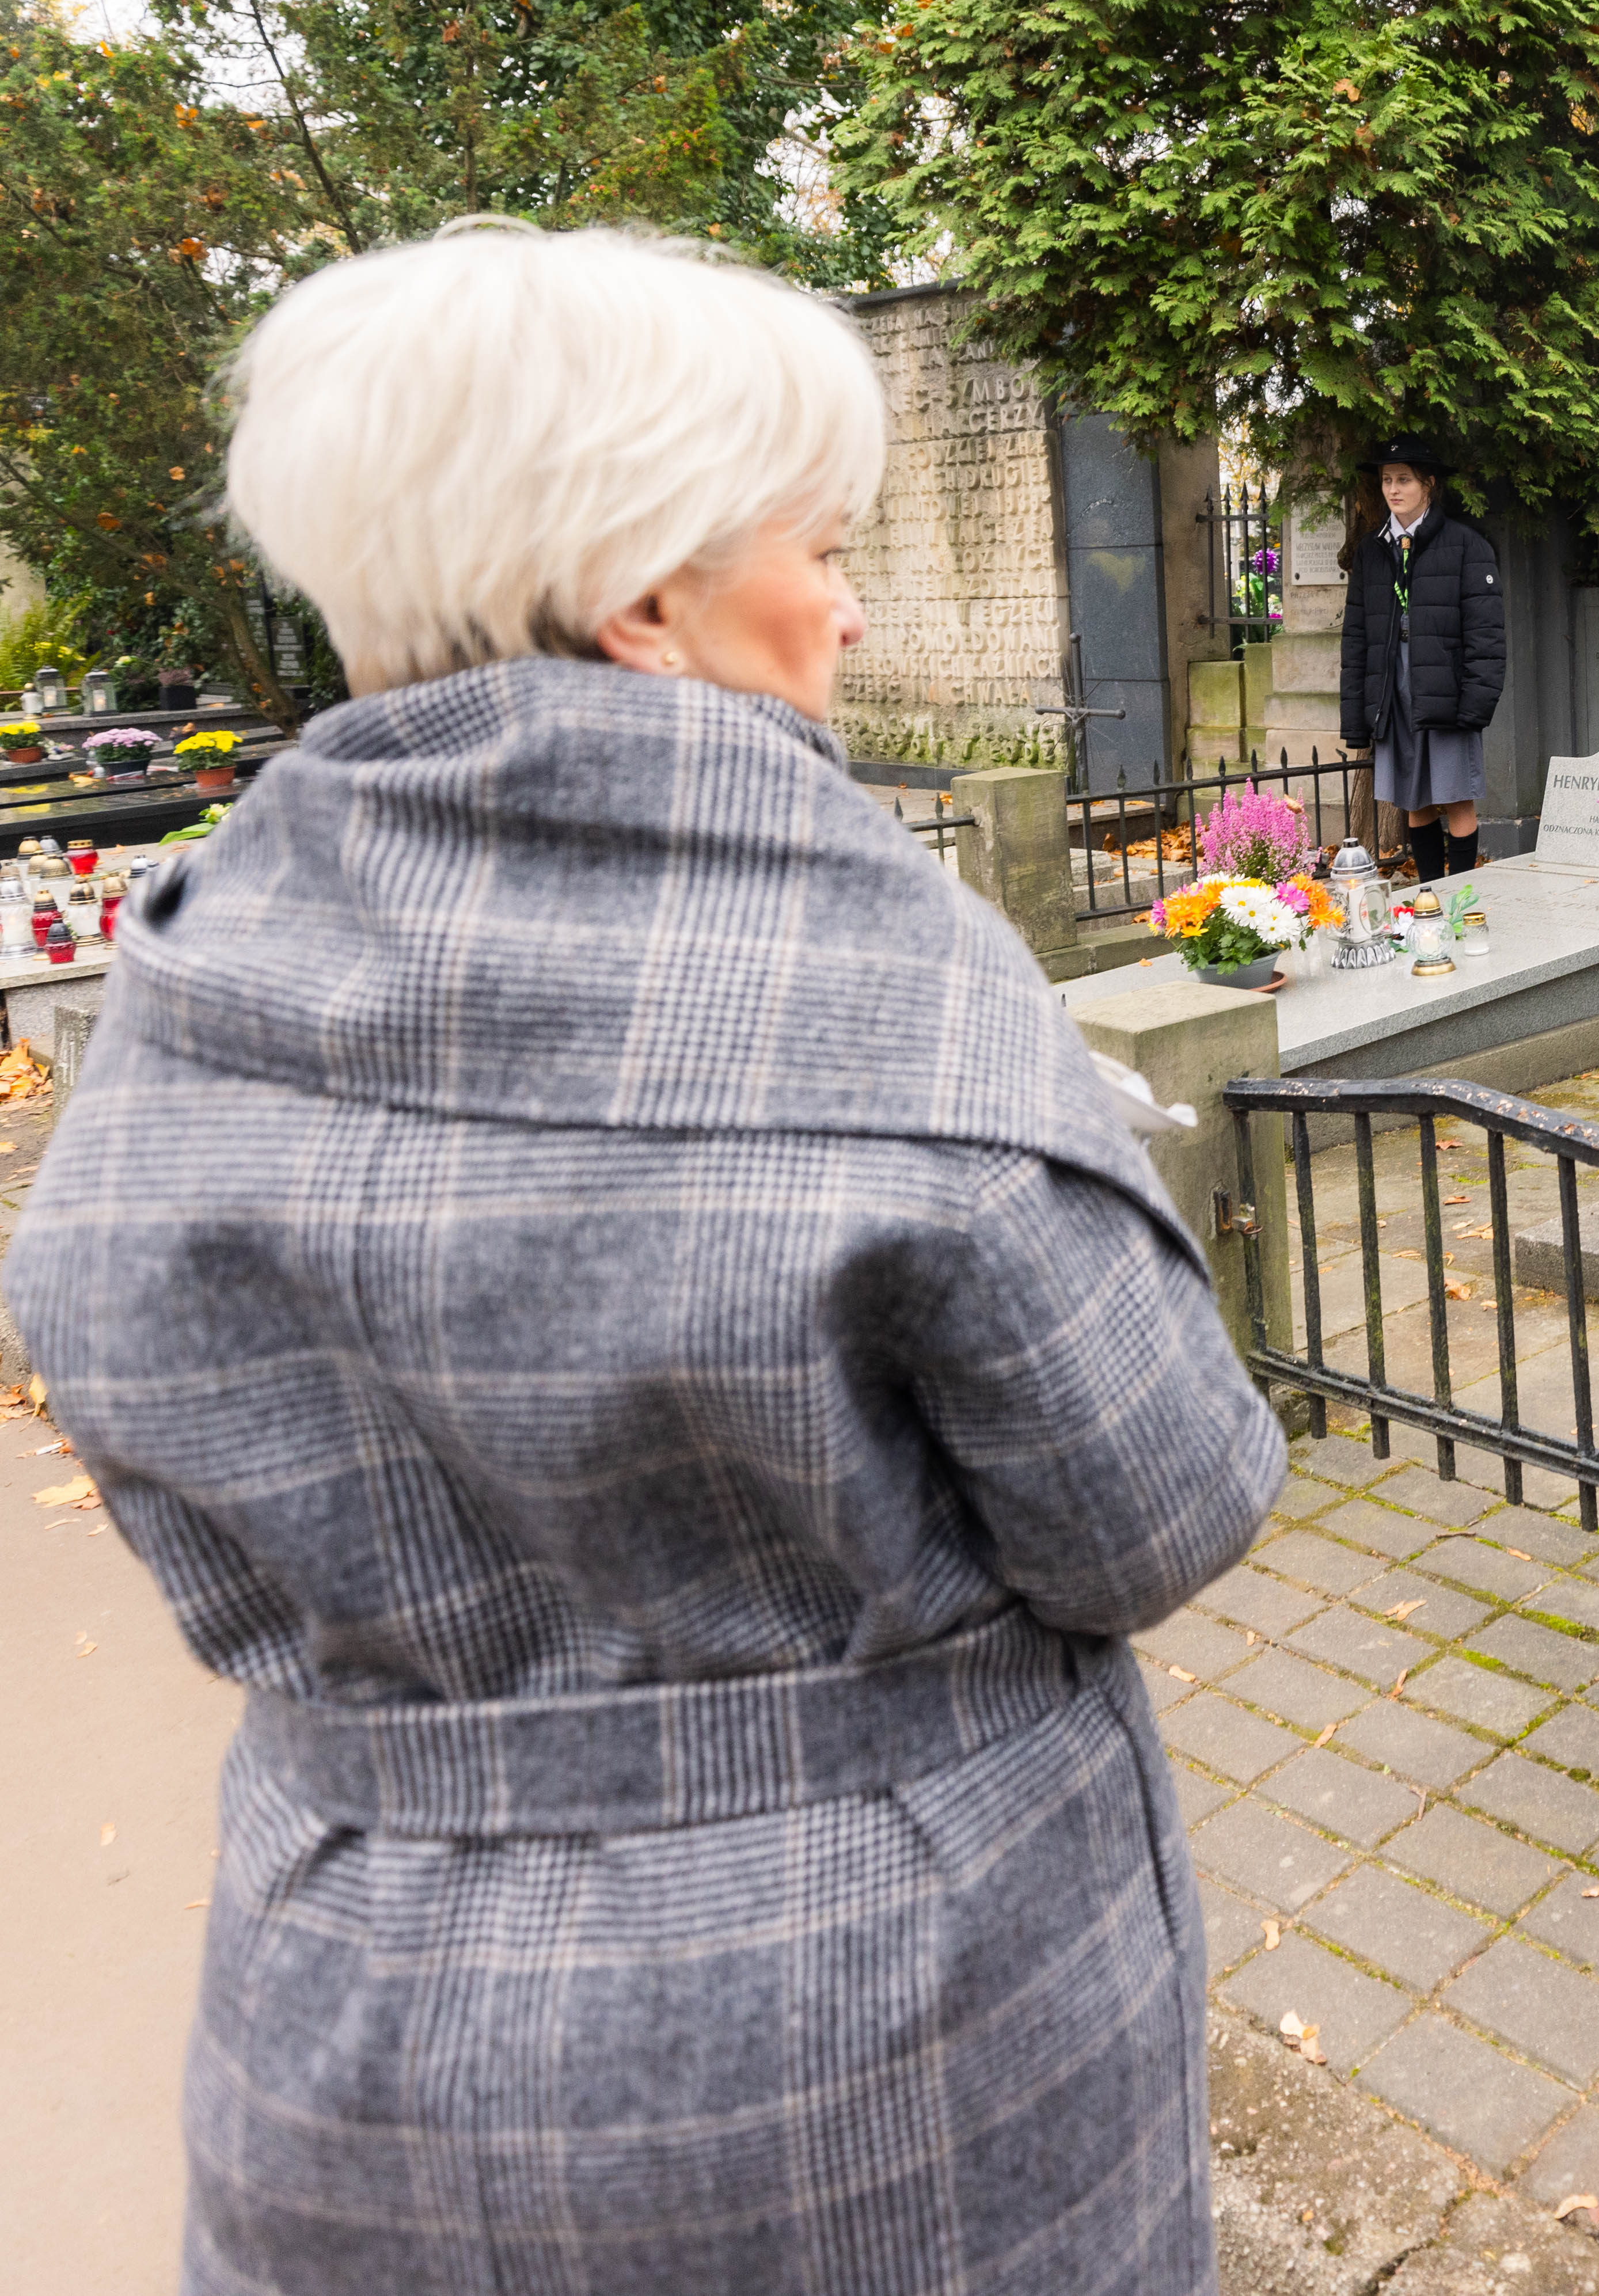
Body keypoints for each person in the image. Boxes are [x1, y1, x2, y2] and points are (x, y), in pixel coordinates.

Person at [9, 221, 1286, 2294]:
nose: (853, 608)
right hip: (886, 2053)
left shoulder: (176, 993)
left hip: (346, 2027)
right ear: (640, 599)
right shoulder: (882, 976)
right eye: (822, 547)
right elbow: (1159, 1502)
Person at [1334, 441, 1505, 880]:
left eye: (1404, 479)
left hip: (1445, 691)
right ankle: (1429, 896)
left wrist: (1475, 705)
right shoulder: (1372, 551)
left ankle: (1462, 897)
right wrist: (1358, 715)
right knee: (1414, 801)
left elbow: (1486, 637)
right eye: (1387, 480)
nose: (1393, 489)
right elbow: (1357, 638)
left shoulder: (1467, 545)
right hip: (1393, 692)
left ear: (1428, 484)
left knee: (1457, 798)